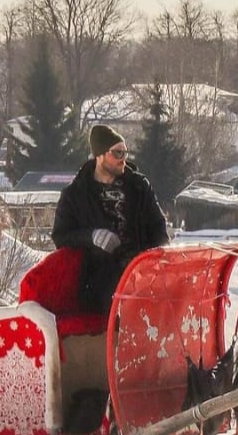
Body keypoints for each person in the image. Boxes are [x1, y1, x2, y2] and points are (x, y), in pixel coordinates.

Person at [52, 124, 170, 314]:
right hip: (100, 280)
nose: (123, 159)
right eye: (117, 153)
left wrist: (154, 261)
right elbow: (60, 236)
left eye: (125, 153)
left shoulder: (139, 187)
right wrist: (91, 236)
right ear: (99, 155)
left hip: (142, 273)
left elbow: (158, 227)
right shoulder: (76, 194)